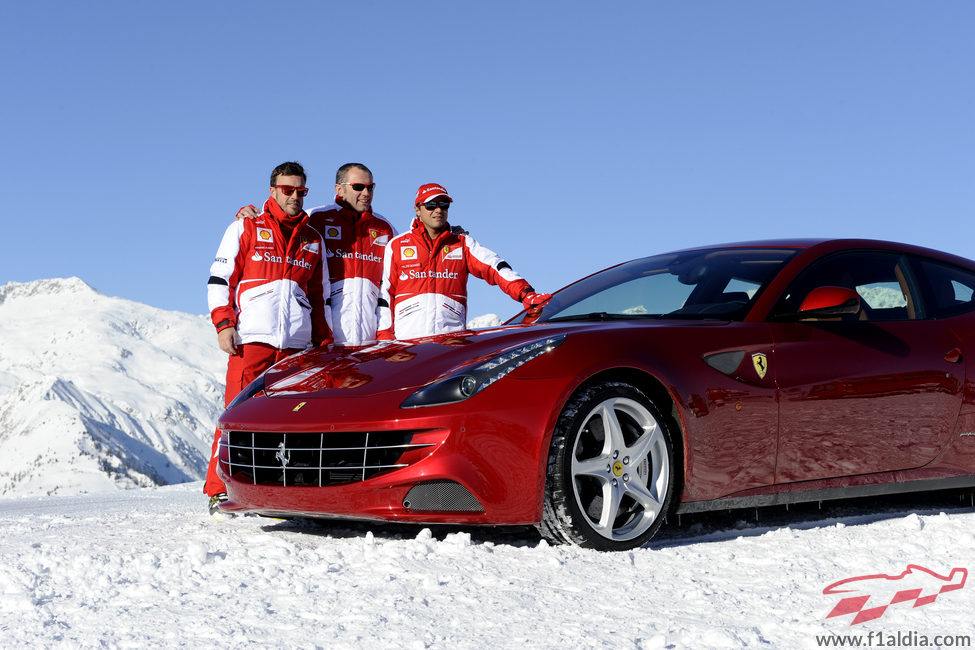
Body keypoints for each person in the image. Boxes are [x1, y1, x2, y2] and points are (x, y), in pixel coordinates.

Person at [204, 161, 332, 516]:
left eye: (300, 191)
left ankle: (280, 493)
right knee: (236, 416)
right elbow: (220, 279)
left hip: (296, 346)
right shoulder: (246, 226)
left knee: (291, 422)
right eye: (288, 190)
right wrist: (223, 323)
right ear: (273, 191)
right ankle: (219, 491)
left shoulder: (312, 239)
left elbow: (319, 297)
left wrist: (323, 342)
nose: (294, 197)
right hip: (252, 340)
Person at [237, 163, 396, 345]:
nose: (366, 193)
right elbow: (281, 221)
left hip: (368, 341)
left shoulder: (386, 229)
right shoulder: (315, 219)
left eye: (370, 187)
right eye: (358, 187)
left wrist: (385, 337)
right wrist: (248, 215)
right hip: (323, 341)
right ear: (339, 189)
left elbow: (391, 288)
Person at [377, 183, 550, 340]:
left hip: (451, 341)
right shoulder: (397, 245)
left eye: (444, 205)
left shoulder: (462, 243)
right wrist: (385, 338)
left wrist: (526, 293)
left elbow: (494, 266)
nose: (438, 210)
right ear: (417, 209)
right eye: (431, 205)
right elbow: (384, 294)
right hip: (407, 343)